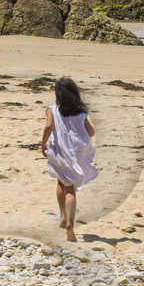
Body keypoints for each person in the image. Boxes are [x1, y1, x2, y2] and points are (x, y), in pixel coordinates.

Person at [38, 76, 96, 242]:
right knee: (69, 186)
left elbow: (49, 127)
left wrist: (43, 144)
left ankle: (65, 218)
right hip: (78, 150)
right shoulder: (81, 111)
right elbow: (91, 133)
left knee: (63, 183)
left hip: (60, 151)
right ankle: (67, 220)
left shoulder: (52, 110)